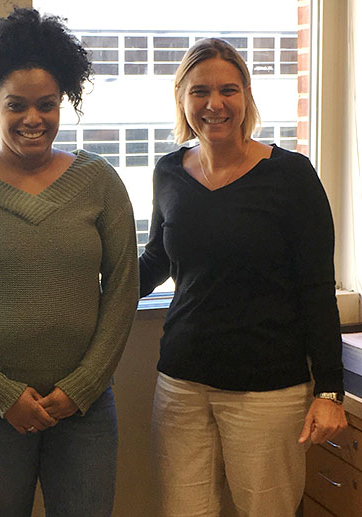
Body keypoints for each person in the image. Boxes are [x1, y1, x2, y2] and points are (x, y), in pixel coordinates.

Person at [0, 8, 138, 517]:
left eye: (47, 104)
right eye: (16, 105)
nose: (33, 119)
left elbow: (122, 287)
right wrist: (3, 395)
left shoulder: (100, 182)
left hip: (82, 408)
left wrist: (81, 388)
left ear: (64, 102)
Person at [139, 38, 347, 517]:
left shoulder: (291, 176)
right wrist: (89, 289)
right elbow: (156, 260)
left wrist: (329, 391)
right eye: (200, 91)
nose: (214, 104)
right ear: (182, 98)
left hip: (268, 391)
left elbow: (317, 289)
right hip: (181, 384)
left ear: (246, 96)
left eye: (228, 90)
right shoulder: (168, 172)